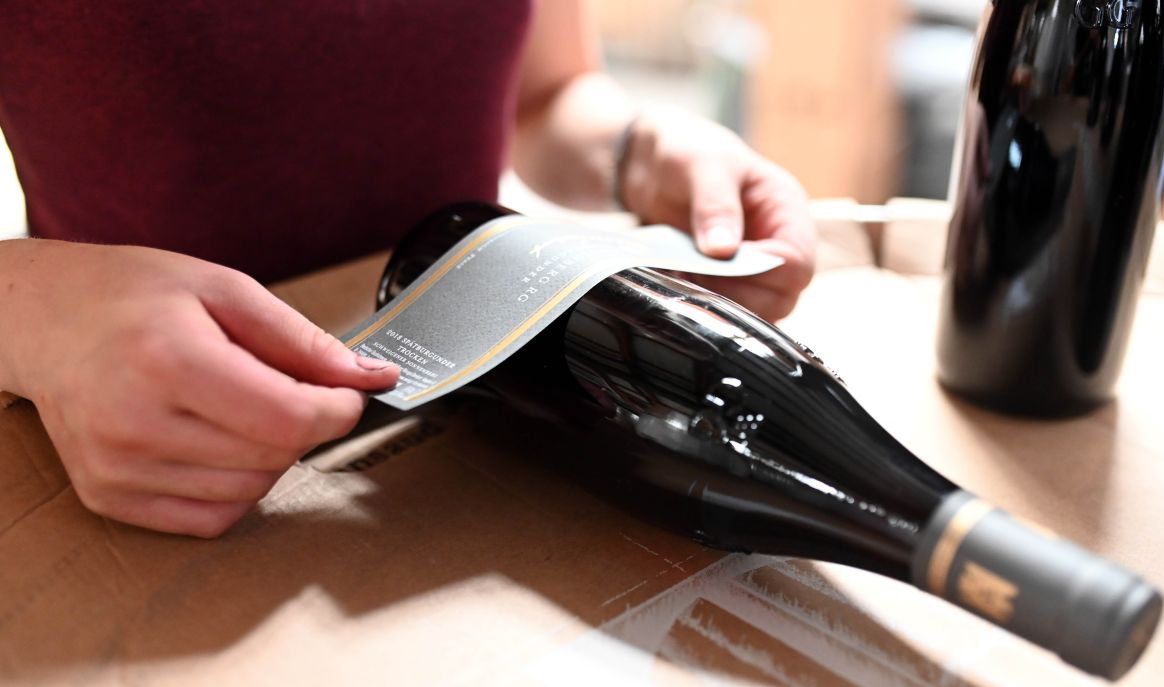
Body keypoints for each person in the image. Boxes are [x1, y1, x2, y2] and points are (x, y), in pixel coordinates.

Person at [0, 1, 815, 538]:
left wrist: (639, 153)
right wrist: (37, 317)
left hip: (474, 435)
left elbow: (547, 91)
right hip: (139, 472)